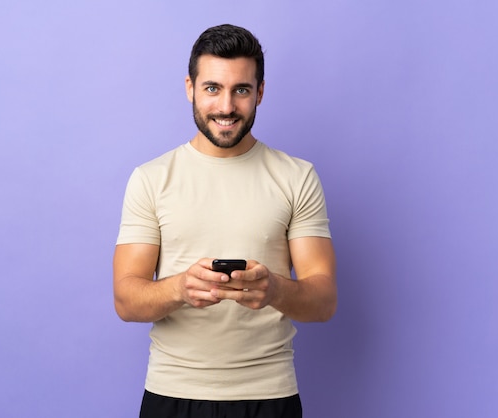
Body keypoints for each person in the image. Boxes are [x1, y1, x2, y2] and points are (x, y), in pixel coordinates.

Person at [113, 24, 337, 418]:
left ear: (260, 92)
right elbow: (126, 300)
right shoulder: (151, 178)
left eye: (242, 90)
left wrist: (273, 290)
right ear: (191, 88)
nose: (226, 106)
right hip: (172, 391)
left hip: (270, 393)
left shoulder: (297, 176)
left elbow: (323, 301)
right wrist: (181, 288)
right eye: (213, 88)